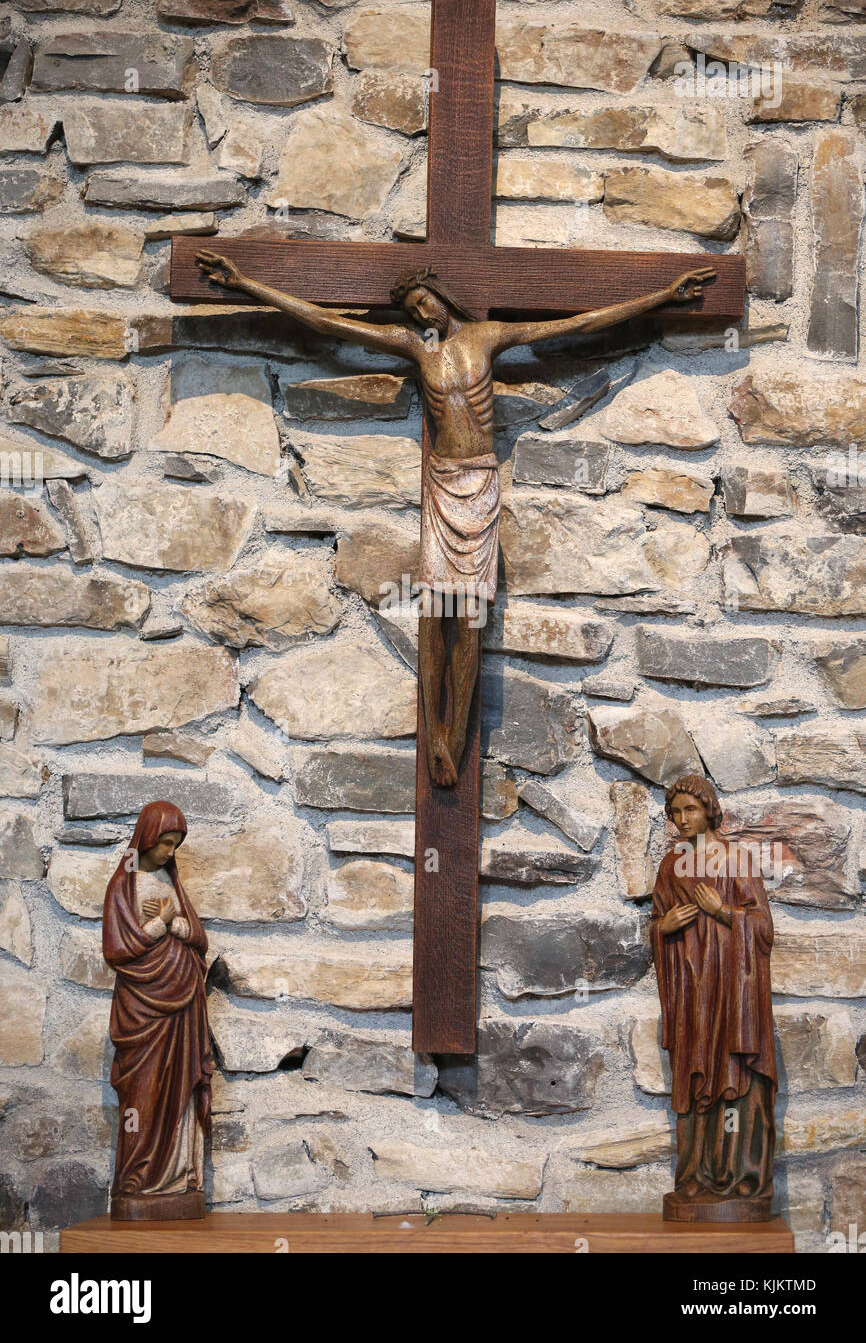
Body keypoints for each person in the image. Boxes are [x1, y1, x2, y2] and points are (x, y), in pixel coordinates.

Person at [196, 247, 714, 787]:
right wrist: (247, 283)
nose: (422, 315)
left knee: (470, 613)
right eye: (413, 310)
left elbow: (578, 323)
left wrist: (662, 296)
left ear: (441, 295)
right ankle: (434, 732)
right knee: (431, 610)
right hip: (441, 485)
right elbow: (330, 323)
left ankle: (458, 733)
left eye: (425, 302)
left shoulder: (487, 338)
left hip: (482, 482)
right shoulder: (416, 350)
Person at [651, 774, 777, 1220]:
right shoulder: (672, 865)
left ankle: (741, 1180)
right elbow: (658, 919)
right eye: (675, 812)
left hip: (735, 994)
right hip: (693, 994)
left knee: (739, 1080)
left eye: (690, 809)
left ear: (709, 810)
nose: (682, 819)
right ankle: (696, 1178)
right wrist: (662, 929)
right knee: (697, 1079)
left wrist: (721, 912)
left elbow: (763, 930)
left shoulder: (736, 860)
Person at [102, 800, 212, 1219]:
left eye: (174, 844)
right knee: (143, 1091)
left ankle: (179, 1174)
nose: (168, 852)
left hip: (183, 1005)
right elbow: (116, 949)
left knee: (178, 1090)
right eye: (164, 842)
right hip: (142, 1011)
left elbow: (198, 936)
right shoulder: (124, 886)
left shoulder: (171, 879)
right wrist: (158, 925)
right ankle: (135, 1180)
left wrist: (177, 923)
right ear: (146, 838)